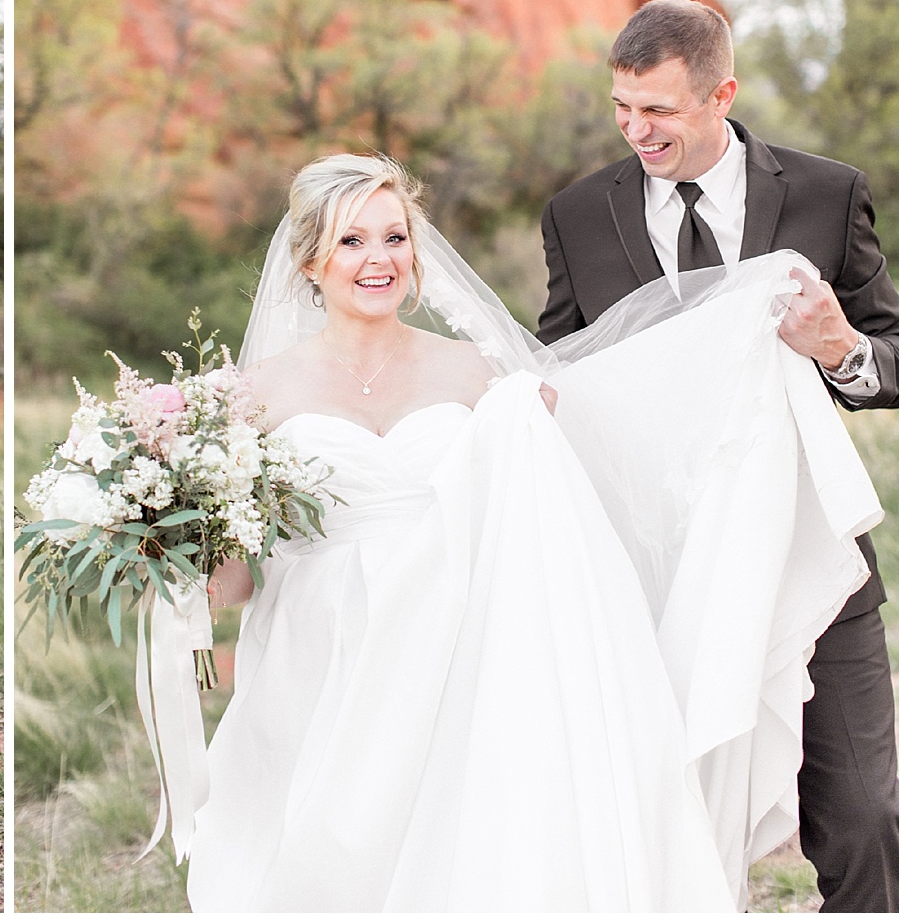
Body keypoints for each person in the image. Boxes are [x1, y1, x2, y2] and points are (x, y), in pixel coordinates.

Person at [181, 153, 880, 910]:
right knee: (325, 864)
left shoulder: (477, 372)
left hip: (455, 647)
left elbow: (572, 494)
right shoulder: (248, 395)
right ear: (309, 259)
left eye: (394, 237)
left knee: (455, 854)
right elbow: (235, 583)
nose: (379, 260)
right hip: (318, 652)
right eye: (352, 241)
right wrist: (167, 528)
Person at [538, 0, 898, 913]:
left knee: (863, 819)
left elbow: (891, 358)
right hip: (652, 572)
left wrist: (838, 348)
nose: (636, 131)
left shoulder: (825, 193)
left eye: (658, 110)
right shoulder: (577, 215)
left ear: (722, 95)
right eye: (622, 108)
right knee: (672, 824)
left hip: (807, 552)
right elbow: (558, 367)